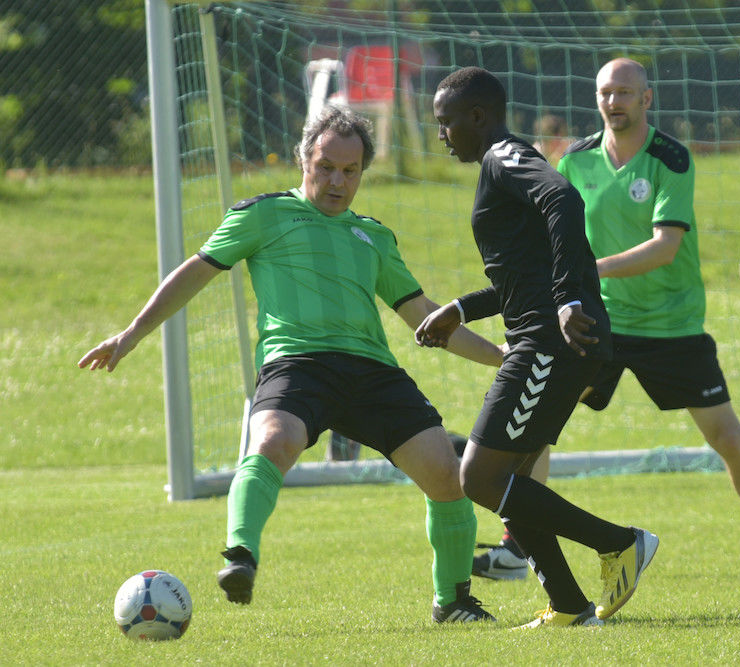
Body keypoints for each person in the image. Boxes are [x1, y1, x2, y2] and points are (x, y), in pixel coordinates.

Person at [78, 104, 504, 623]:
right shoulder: (264, 214)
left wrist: (501, 358)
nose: (336, 181)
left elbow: (424, 316)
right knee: (273, 440)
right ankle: (240, 556)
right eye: (325, 166)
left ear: (362, 174)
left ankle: (453, 601)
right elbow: (194, 272)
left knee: (446, 475)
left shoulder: (374, 235)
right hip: (296, 363)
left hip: (372, 372)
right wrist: (131, 334)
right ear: (303, 159)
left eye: (350, 171)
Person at [471, 57, 740, 580]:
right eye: (606, 92)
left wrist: (586, 269)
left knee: (726, 437)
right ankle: (518, 546)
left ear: (646, 99)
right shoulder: (575, 159)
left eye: (625, 92)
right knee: (534, 429)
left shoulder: (670, 158)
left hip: (671, 324)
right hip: (595, 320)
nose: (614, 101)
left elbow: (665, 247)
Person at [417, 66, 658, 628]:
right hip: (550, 337)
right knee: (509, 483)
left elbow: (564, 200)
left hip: (550, 342)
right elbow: (525, 273)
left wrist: (571, 298)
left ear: (478, 117)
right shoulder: (497, 165)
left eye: (446, 122)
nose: (441, 134)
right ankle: (572, 607)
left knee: (477, 477)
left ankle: (620, 543)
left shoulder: (503, 156)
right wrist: (462, 308)